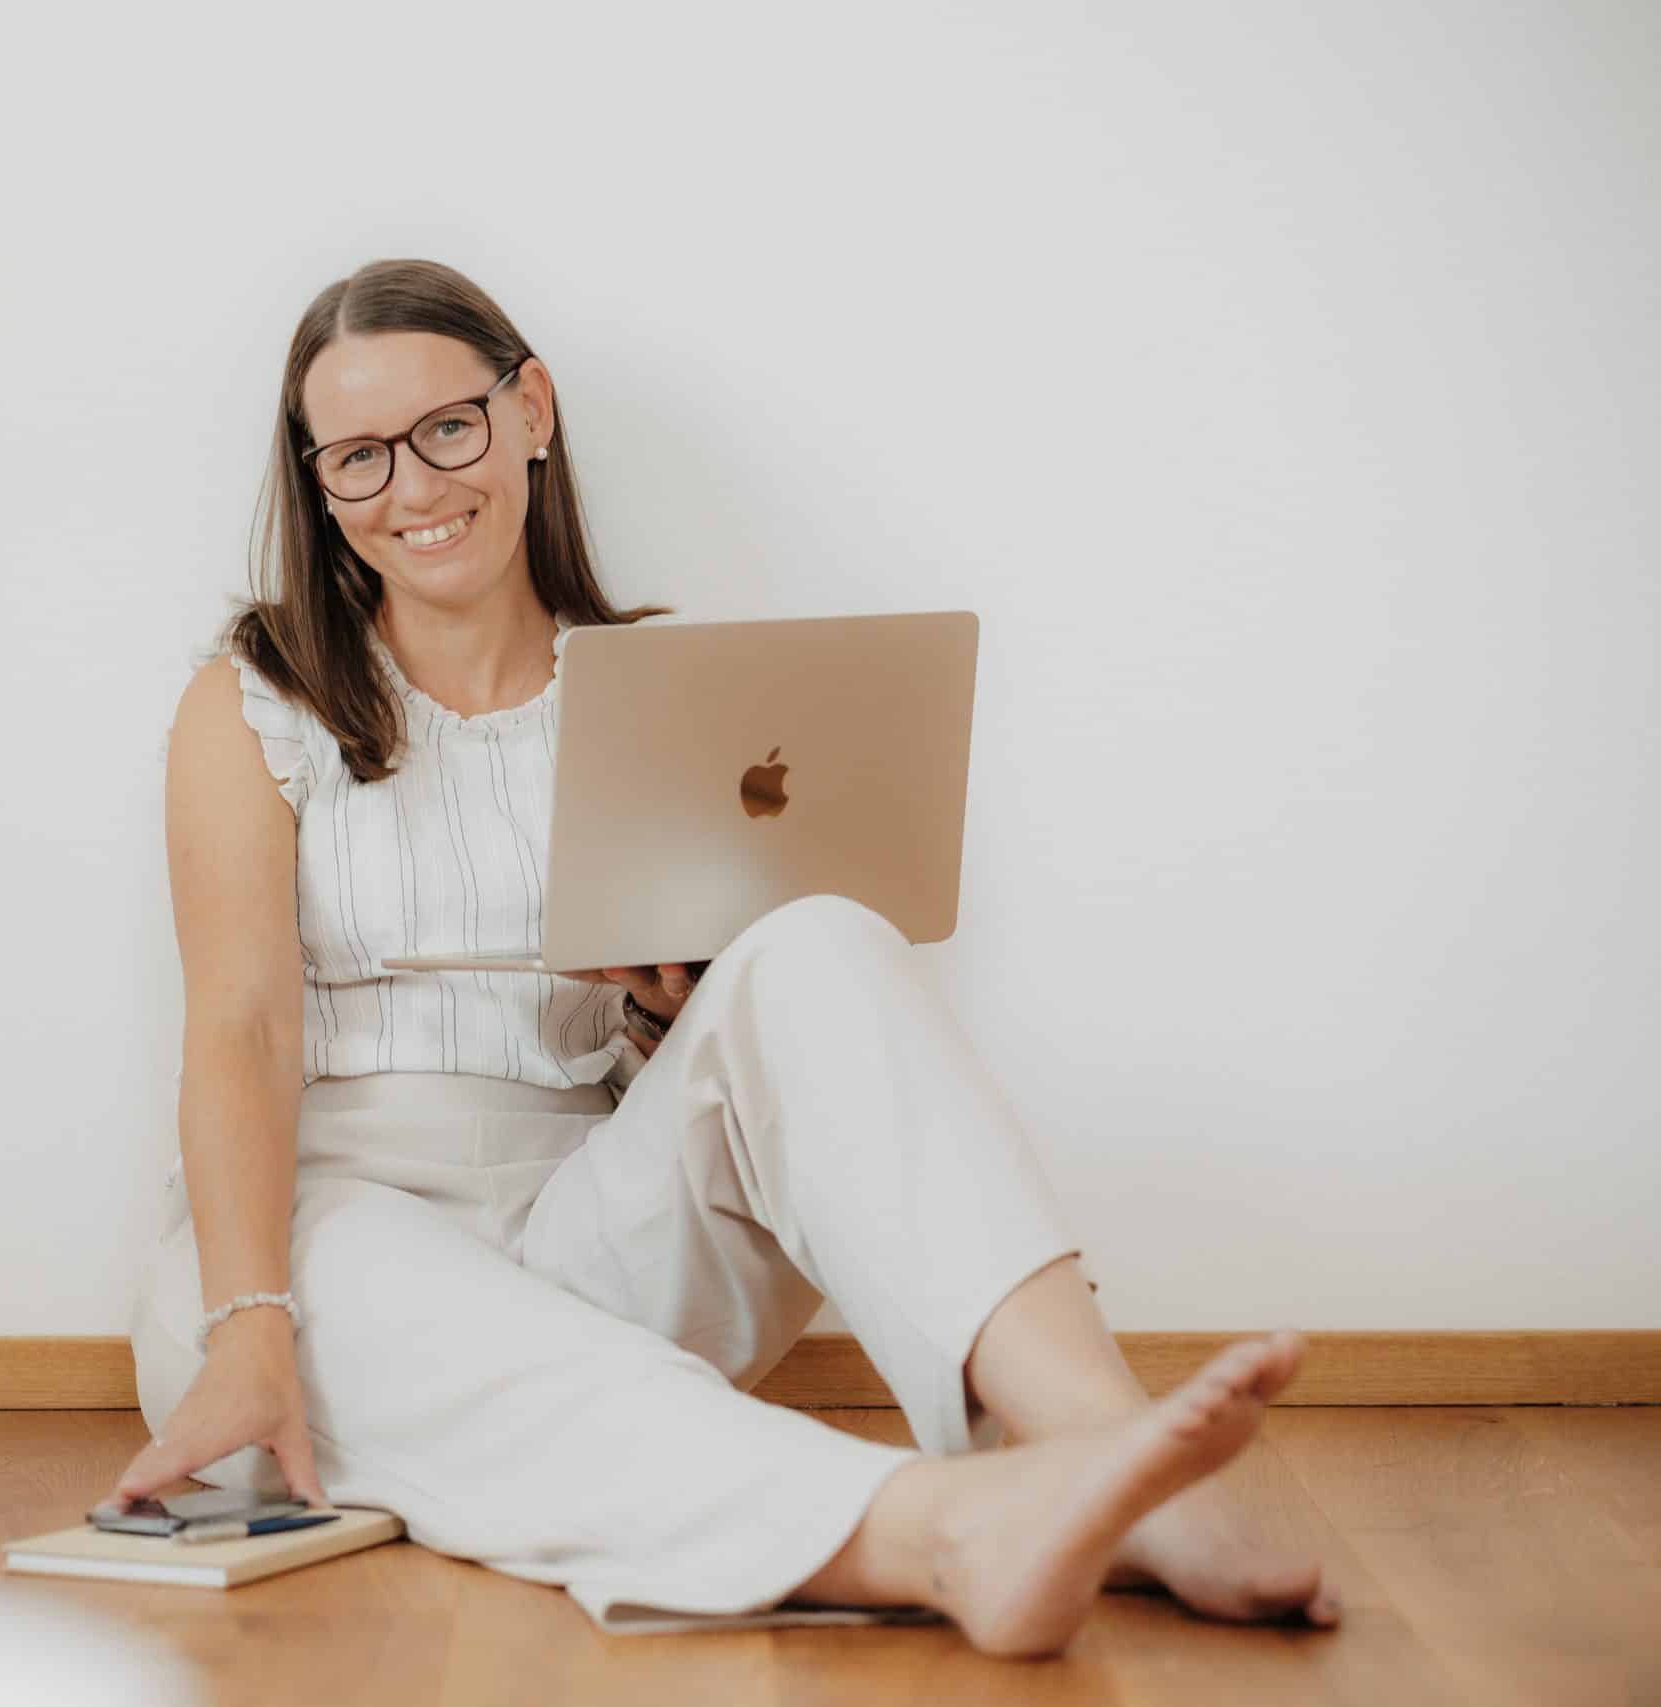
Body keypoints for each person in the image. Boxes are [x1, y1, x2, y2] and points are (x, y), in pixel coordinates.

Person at [112, 258, 1340, 1653]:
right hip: (314, 1243)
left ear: (531, 411)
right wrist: (250, 1321)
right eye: (358, 458)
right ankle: (943, 1534)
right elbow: (242, 1035)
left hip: (582, 1222)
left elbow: (739, 1076)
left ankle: (1110, 1456)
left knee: (816, 943)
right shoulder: (253, 700)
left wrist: (670, 1018)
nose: (413, 487)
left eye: (447, 428)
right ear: (319, 483)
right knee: (422, 1320)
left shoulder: (664, 693)